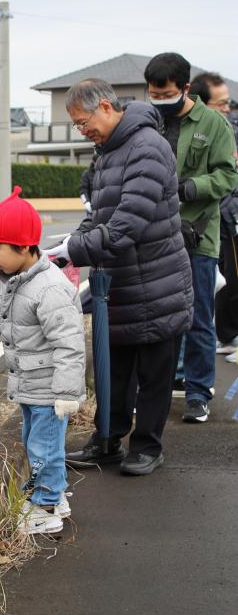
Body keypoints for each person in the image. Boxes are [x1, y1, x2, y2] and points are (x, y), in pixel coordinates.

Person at [55, 79, 193, 476]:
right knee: (112, 369)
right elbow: (99, 215)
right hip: (119, 283)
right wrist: (69, 243)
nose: (83, 131)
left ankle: (147, 446)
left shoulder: (147, 146)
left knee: (154, 373)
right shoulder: (108, 150)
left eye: (83, 123)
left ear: (104, 106)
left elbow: (127, 224)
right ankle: (107, 439)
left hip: (157, 282)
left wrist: (73, 250)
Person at [0, 187, 85, 535]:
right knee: (37, 444)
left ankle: (46, 508)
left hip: (49, 390)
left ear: (24, 247)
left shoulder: (48, 289)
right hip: (31, 386)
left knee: (44, 448)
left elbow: (70, 343)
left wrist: (68, 392)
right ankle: (54, 497)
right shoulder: (20, 281)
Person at [144, 53, 237, 422]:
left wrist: (188, 188)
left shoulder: (214, 124)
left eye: (165, 93)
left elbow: (228, 177)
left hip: (198, 235)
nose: (159, 99)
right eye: (153, 93)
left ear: (185, 89)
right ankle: (163, 385)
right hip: (155, 235)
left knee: (198, 316)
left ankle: (198, 392)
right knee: (157, 318)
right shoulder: (147, 119)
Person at [189, 73, 238, 359]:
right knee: (227, 282)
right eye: (221, 104)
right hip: (215, 223)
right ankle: (228, 335)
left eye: (228, 103)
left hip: (219, 220)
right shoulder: (201, 132)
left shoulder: (227, 128)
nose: (227, 109)